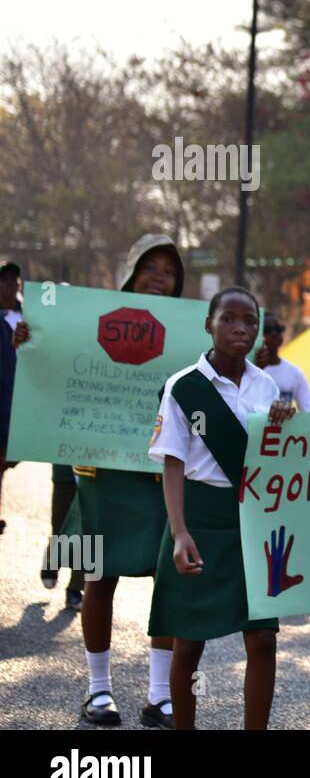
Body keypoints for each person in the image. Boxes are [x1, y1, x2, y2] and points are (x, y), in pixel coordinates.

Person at [26, 236, 185, 728]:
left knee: (170, 581)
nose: (159, 277)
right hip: (103, 473)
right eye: (149, 267)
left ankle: (160, 696)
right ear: (131, 271)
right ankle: (98, 692)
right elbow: (53, 359)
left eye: (168, 270)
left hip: (164, 476)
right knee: (99, 576)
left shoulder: (190, 336)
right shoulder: (95, 319)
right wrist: (28, 340)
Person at [147, 287, 295, 729]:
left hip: (252, 521)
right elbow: (172, 464)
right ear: (208, 324)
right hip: (200, 518)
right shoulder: (183, 386)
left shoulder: (267, 385)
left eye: (249, 321)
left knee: (264, 638)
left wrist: (286, 424)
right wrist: (179, 531)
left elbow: (278, 460)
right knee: (189, 641)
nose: (240, 328)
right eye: (229, 319)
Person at [254, 313, 310, 411]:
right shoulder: (246, 368)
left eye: (278, 329)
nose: (274, 333)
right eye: (267, 330)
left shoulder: (294, 372)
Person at [41, 465, 85, 610]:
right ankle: (52, 561)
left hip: (99, 472)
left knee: (90, 533)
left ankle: (76, 588)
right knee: (61, 524)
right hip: (66, 470)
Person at [0, 260, 21, 535]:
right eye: (4, 280)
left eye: (14, 280)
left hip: (17, 402)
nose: (9, 285)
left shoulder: (27, 316)